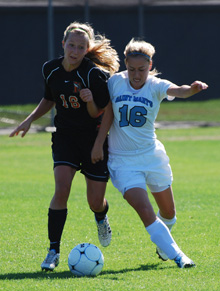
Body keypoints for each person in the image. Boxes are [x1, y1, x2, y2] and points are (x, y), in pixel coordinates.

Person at [9, 21, 119, 271]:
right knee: (61, 190)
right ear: (63, 44)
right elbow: (49, 99)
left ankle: (101, 218)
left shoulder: (94, 74)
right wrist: (29, 120)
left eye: (81, 47)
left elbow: (100, 114)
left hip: (93, 139)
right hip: (65, 138)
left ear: (87, 49)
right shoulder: (50, 69)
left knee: (95, 201)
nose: (75, 50)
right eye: (71, 45)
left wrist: (99, 144)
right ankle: (53, 251)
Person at [91, 38, 208, 268]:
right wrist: (98, 143)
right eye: (132, 69)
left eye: (142, 70)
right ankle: (179, 256)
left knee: (169, 214)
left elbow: (178, 90)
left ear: (150, 65)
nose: (136, 75)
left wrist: (192, 89)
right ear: (125, 64)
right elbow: (109, 114)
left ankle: (163, 244)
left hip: (151, 156)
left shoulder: (155, 85)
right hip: (123, 162)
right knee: (144, 209)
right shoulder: (115, 82)